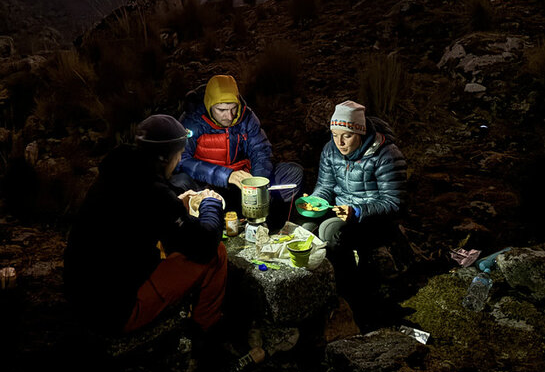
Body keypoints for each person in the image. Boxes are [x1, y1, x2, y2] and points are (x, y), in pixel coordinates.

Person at [63, 114, 227, 336]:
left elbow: (140, 215)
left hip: (82, 296)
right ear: (164, 157)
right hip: (115, 312)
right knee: (216, 253)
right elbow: (203, 245)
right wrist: (210, 203)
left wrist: (176, 203)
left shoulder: (118, 173)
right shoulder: (154, 194)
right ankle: (207, 329)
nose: (179, 161)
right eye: (178, 154)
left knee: (171, 246)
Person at [171, 74, 303, 228]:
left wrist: (257, 183)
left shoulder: (246, 116)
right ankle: (201, 225)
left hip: (243, 184)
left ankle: (271, 222)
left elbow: (260, 151)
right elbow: (182, 160)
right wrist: (226, 175)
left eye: (233, 108)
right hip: (208, 185)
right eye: (221, 110)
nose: (229, 116)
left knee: (292, 172)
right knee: (180, 182)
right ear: (209, 104)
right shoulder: (192, 120)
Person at [305, 100, 407, 295]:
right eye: (335, 135)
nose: (340, 143)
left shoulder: (386, 155)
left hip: (374, 220)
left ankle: (350, 288)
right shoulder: (330, 150)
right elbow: (325, 186)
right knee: (307, 227)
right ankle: (318, 283)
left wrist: (358, 211)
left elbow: (395, 203)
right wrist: (315, 200)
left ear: (360, 133)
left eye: (347, 136)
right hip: (342, 211)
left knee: (330, 231)